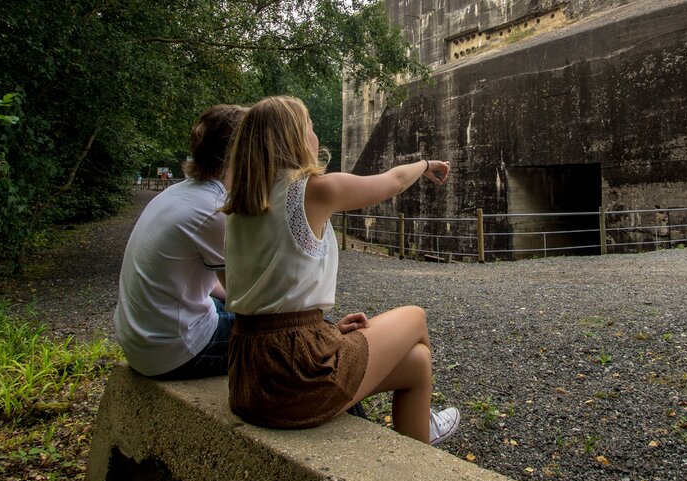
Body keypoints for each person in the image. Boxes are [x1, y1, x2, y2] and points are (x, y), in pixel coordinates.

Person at [221, 95, 461, 445]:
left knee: (417, 361)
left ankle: (421, 436)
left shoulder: (239, 207)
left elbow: (269, 294)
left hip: (248, 374)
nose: (315, 133)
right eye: (310, 125)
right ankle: (422, 428)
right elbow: (393, 181)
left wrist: (322, 328)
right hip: (297, 372)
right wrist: (426, 164)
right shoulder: (314, 191)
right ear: (294, 137)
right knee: (415, 317)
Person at [114, 104, 248, 379]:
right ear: (239, 153)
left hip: (141, 340)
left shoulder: (179, 193)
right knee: (303, 339)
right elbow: (246, 298)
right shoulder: (213, 210)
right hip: (177, 350)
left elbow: (217, 288)